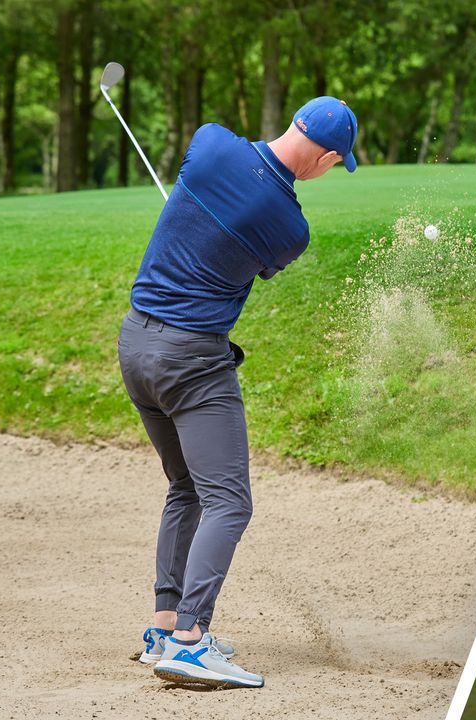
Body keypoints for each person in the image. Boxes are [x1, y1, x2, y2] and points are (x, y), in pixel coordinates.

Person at [118, 96, 358, 688]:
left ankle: (163, 627)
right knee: (229, 501)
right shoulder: (291, 229)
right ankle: (191, 641)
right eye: (336, 164)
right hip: (193, 364)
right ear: (326, 157)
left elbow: (219, 175)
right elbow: (258, 258)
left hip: (136, 346)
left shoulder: (210, 141)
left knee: (186, 488)